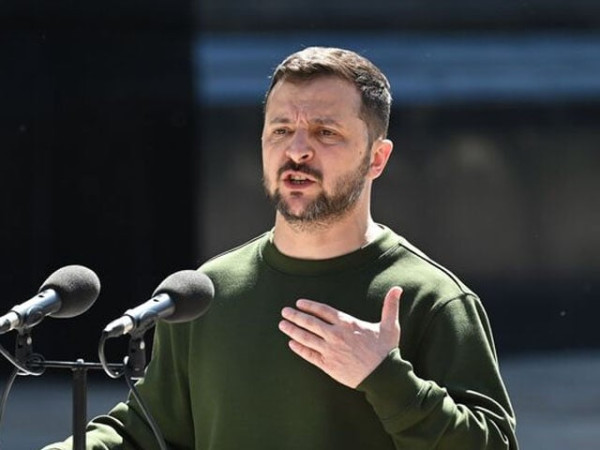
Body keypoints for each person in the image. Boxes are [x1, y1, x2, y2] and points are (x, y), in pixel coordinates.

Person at [44, 46, 518, 449]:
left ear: (377, 158)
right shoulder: (207, 293)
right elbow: (147, 432)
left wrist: (385, 377)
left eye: (326, 132)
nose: (297, 150)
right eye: (281, 130)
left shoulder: (431, 299)